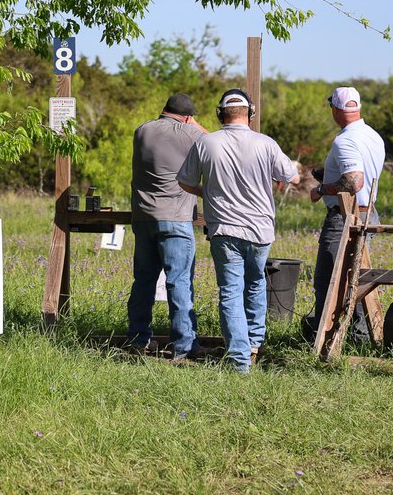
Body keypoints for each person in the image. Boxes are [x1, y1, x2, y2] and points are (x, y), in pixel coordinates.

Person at [177, 88, 299, 372]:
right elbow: (291, 175)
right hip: (260, 230)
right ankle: (255, 342)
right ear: (250, 113)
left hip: (225, 229)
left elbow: (184, 181)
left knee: (231, 291)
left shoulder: (207, 143)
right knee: (256, 283)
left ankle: (239, 359)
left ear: (220, 113)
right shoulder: (266, 143)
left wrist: (208, 190)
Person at [126, 93, 207, 359]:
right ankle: (184, 345)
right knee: (179, 281)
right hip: (175, 218)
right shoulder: (189, 133)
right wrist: (195, 126)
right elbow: (220, 142)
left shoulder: (142, 130)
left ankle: (138, 339)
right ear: (187, 117)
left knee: (144, 280)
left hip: (143, 217)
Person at [302, 86, 386, 344]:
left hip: (345, 217)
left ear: (336, 109)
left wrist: (321, 188)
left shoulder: (345, 140)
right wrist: (324, 173)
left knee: (328, 281)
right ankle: (360, 337)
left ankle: (325, 340)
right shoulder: (372, 135)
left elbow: (354, 181)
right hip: (367, 213)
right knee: (355, 279)